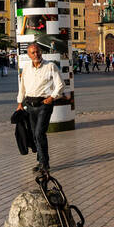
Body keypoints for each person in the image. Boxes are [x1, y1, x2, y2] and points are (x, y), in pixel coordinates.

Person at [16, 42, 70, 176]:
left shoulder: (50, 66)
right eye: (33, 52)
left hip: (44, 105)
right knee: (34, 134)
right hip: (30, 105)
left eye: (38, 51)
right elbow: (22, 86)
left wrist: (52, 98)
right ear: (28, 55)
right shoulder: (26, 68)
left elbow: (60, 85)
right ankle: (40, 161)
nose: (36, 54)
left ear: (41, 52)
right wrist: (19, 103)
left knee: (40, 133)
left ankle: (45, 164)